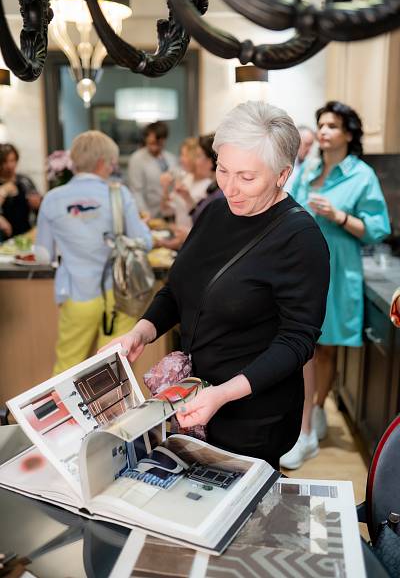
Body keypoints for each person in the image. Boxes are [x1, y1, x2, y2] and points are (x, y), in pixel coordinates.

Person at [101, 101, 330, 470]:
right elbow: (178, 290)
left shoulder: (300, 238)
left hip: (253, 415)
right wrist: (141, 332)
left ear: (283, 174)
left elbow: (297, 341)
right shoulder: (214, 212)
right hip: (193, 398)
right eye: (223, 170)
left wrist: (223, 394)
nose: (231, 188)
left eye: (247, 177)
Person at [281, 101, 390, 470]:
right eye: (322, 125)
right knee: (304, 346)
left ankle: (313, 415)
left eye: (332, 126)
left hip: (338, 269)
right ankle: (305, 423)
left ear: (348, 134)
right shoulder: (309, 168)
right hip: (302, 268)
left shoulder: (362, 175)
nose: (324, 131)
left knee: (324, 349)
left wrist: (339, 215)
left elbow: (377, 229)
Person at [36, 130, 152, 374]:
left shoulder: (52, 199)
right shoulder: (118, 194)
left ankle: (63, 400)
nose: (112, 168)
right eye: (111, 163)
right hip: (119, 294)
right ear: (102, 163)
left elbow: (43, 255)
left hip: (76, 294)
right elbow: (143, 242)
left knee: (67, 367)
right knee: (114, 369)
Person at [127, 121, 177, 218]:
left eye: (158, 143)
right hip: (150, 214)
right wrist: (145, 214)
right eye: (151, 143)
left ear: (164, 140)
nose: (154, 146)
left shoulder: (171, 158)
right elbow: (136, 191)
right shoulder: (137, 159)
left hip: (170, 213)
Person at [0, 143, 42, 241]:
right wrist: (3, 191)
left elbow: (40, 208)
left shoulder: (24, 181)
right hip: (4, 238)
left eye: (12, 160)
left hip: (26, 235)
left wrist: (38, 204)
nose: (10, 166)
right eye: (5, 162)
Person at [284, 125, 315, 193]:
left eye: (311, 145)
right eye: (307, 144)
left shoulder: (310, 167)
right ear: (296, 142)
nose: (309, 150)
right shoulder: (281, 163)